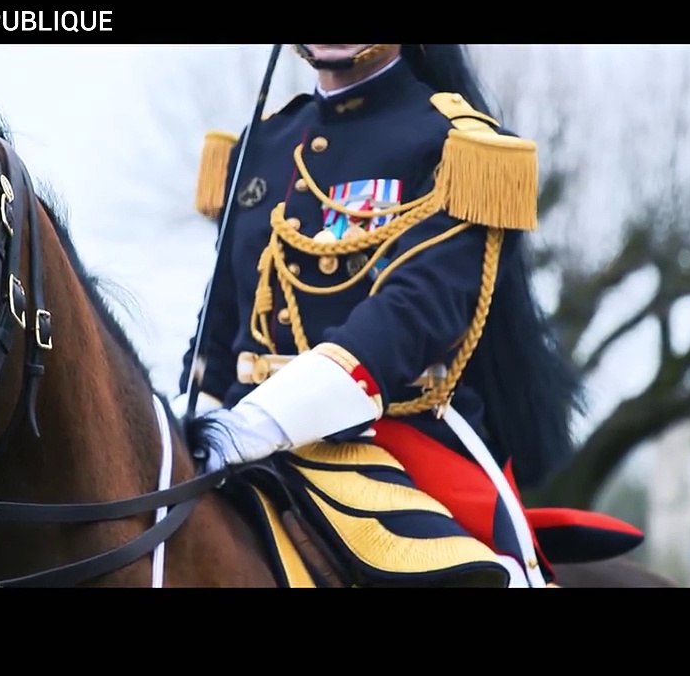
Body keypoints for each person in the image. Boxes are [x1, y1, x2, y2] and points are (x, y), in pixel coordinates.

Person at [172, 44, 630, 588]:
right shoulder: (259, 146)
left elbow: (415, 313)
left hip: (398, 432)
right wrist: (184, 420)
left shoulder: (458, 146)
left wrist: (260, 424)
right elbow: (221, 327)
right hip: (239, 432)